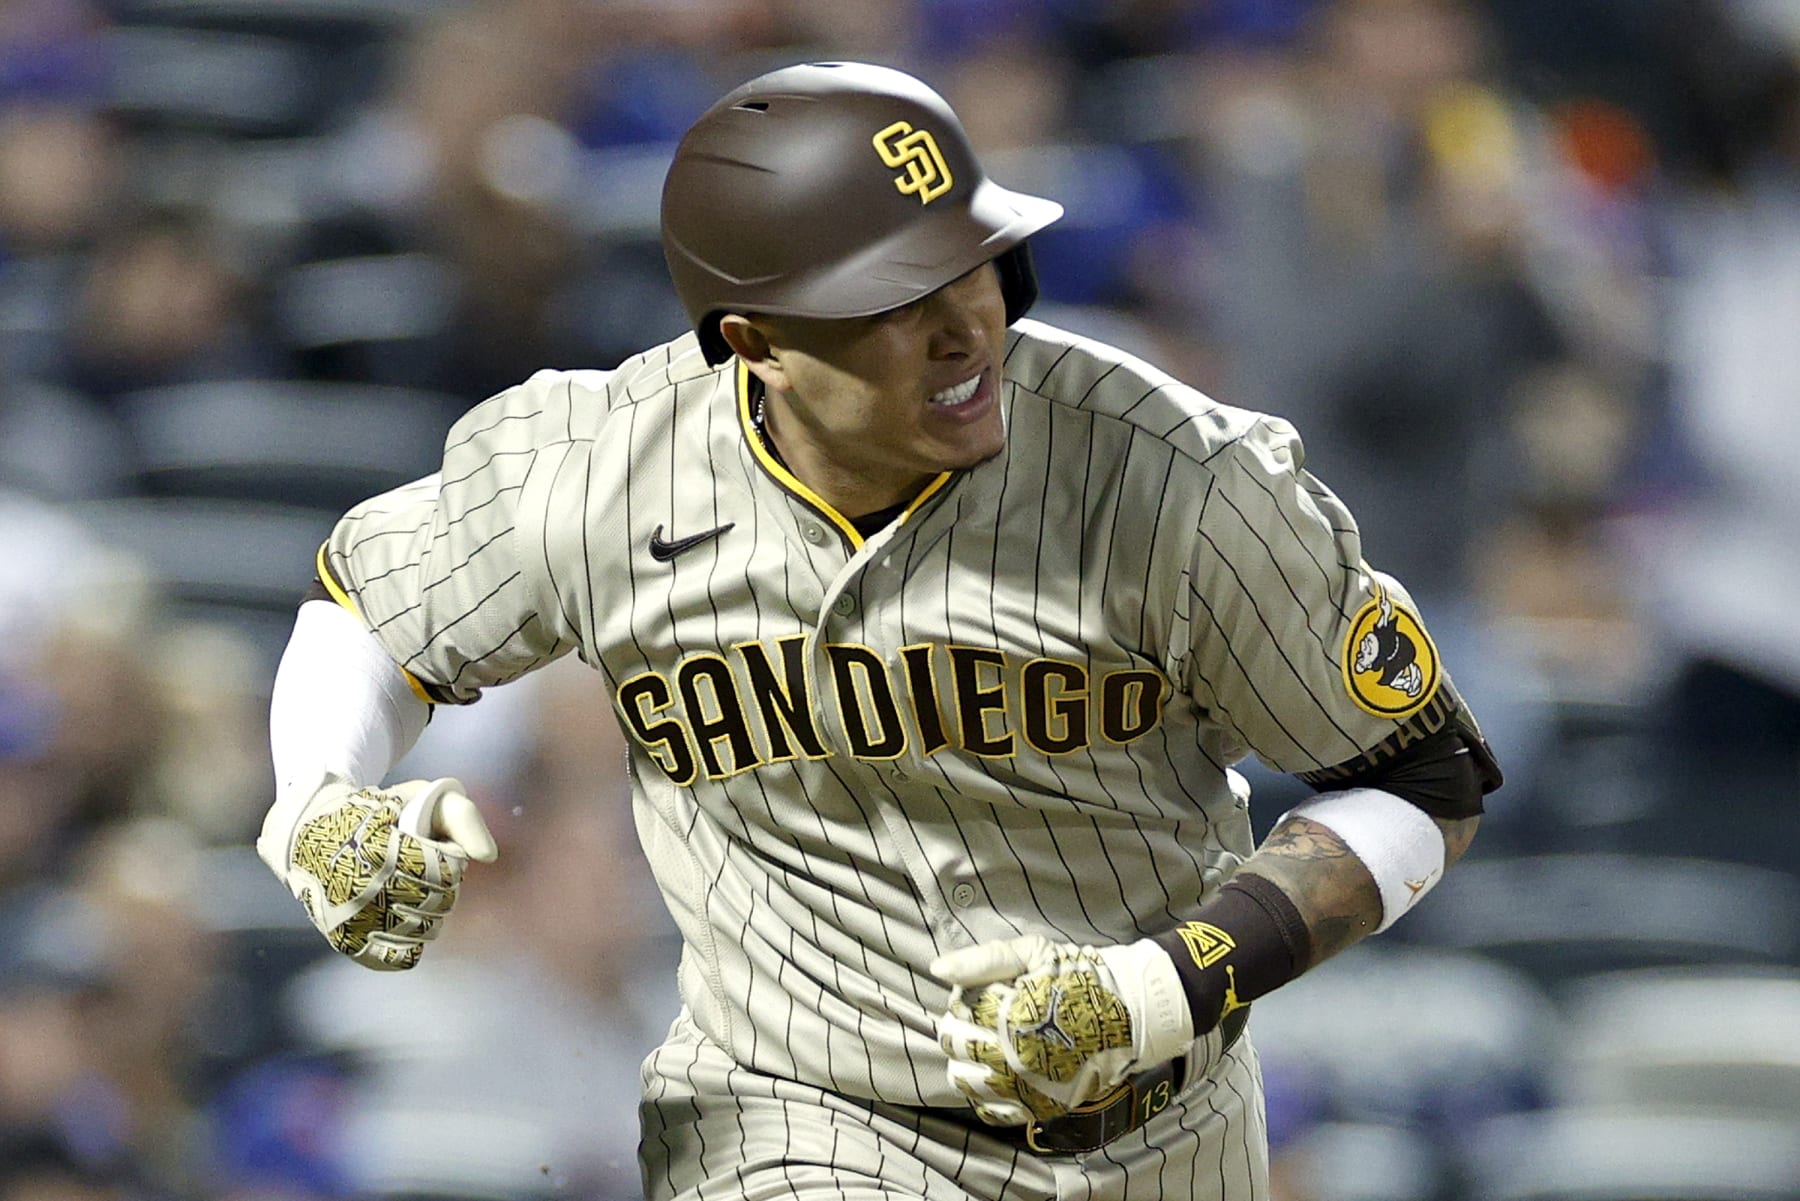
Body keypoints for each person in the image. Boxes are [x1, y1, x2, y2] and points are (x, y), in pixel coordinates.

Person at [254, 61, 1502, 1201]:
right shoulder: (597, 470)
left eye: (975, 263)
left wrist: (1169, 981)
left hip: (1158, 1131)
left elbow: (1425, 778)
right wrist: (319, 799)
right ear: (755, 342)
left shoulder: (1175, 476)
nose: (965, 325)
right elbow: (369, 614)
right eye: (893, 299)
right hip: (789, 1119)